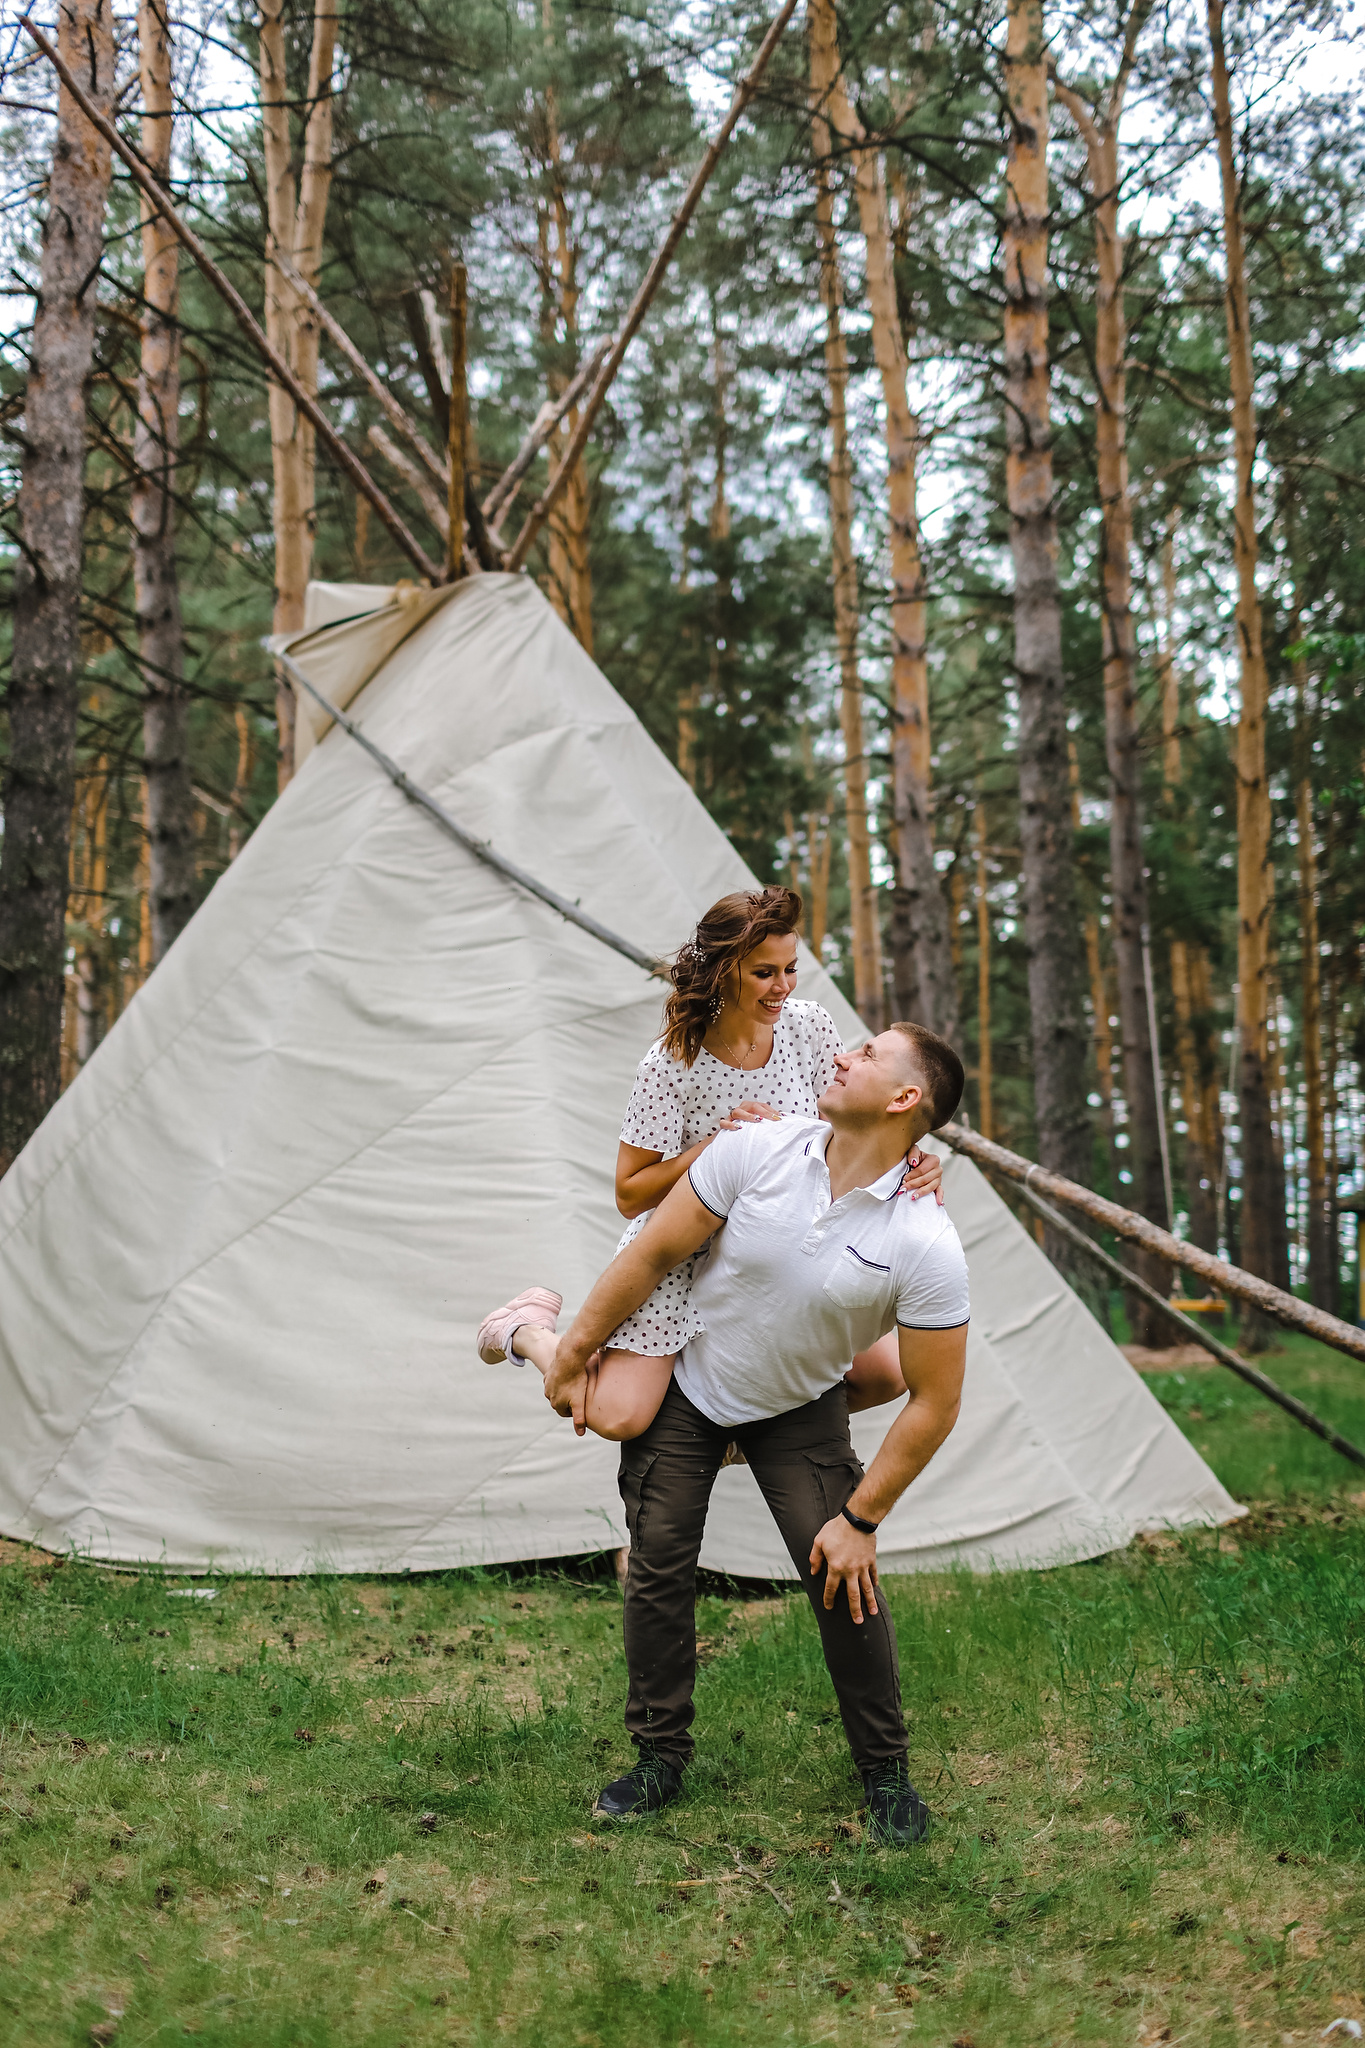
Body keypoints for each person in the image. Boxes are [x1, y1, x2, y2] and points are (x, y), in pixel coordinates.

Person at [495, 1020, 969, 1843]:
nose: (839, 1055)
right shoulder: (760, 1150)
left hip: (799, 1405)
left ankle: (884, 1773)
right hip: (689, 1385)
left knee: (839, 1578)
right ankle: (657, 1756)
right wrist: (571, 1354)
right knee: (659, 1565)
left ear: (903, 1099)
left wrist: (859, 1523)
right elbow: (647, 1257)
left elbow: (934, 1400)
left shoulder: (924, 1239)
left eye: (865, 1055)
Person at [477, 886, 942, 1438]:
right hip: (684, 1256)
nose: (783, 987)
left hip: (776, 1250)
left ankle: (734, 1442)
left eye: (790, 968)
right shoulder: (673, 1062)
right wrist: (709, 1150)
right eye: (764, 973)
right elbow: (630, 1194)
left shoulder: (809, 1026)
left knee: (886, 1374)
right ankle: (528, 1330)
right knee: (617, 1417)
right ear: (724, 972)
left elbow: (852, 1117)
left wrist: (912, 1156)